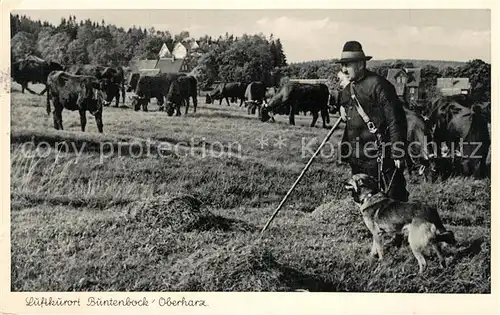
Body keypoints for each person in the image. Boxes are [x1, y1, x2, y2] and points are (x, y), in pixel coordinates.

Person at [336, 41, 410, 203]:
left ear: (361, 64)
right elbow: (346, 118)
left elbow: (395, 120)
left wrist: (398, 152)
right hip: (357, 156)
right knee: (361, 198)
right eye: (343, 65)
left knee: (392, 198)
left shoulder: (380, 85)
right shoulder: (347, 91)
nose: (343, 69)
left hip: (380, 155)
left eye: (347, 65)